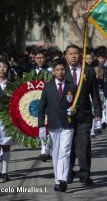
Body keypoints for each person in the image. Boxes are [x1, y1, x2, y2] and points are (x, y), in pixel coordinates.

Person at [65, 45, 102, 186]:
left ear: (80, 55)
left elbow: (94, 93)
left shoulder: (88, 70)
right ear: (66, 56)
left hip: (84, 115)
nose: (73, 56)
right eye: (70, 54)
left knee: (84, 145)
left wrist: (98, 111)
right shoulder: (61, 71)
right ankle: (67, 172)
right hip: (66, 116)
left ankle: (85, 174)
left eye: (76, 53)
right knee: (68, 145)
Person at [38, 59, 76, 192]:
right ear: (53, 72)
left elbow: (76, 104)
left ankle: (63, 179)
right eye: (58, 70)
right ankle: (57, 179)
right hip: (53, 124)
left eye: (63, 69)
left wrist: (74, 109)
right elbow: (41, 108)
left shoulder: (71, 85)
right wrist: (41, 126)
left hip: (68, 123)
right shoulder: (48, 86)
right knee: (56, 153)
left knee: (65, 151)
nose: (60, 72)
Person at [30, 49, 52, 162]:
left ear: (45, 58)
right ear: (34, 59)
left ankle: (46, 148)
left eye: (42, 57)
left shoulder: (50, 70)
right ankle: (44, 147)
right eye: (37, 58)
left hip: (48, 100)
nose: (40, 59)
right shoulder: (31, 71)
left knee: (48, 124)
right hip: (35, 101)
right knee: (41, 124)